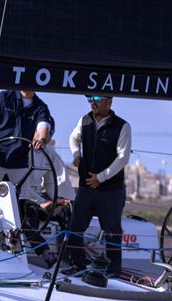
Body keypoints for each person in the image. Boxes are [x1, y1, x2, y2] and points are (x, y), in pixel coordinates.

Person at [0, 89, 56, 265]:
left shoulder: (41, 107)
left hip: (19, 162)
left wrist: (41, 140)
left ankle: (30, 251)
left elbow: (43, 127)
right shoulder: (3, 98)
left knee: (19, 208)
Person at [65, 94, 131, 277]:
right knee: (75, 227)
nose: (92, 102)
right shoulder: (84, 120)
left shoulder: (122, 126)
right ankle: (78, 265)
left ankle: (113, 272)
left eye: (96, 98)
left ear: (109, 101)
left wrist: (100, 178)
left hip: (111, 190)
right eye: (89, 99)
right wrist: (76, 154)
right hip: (86, 186)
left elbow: (123, 158)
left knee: (112, 232)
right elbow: (73, 138)